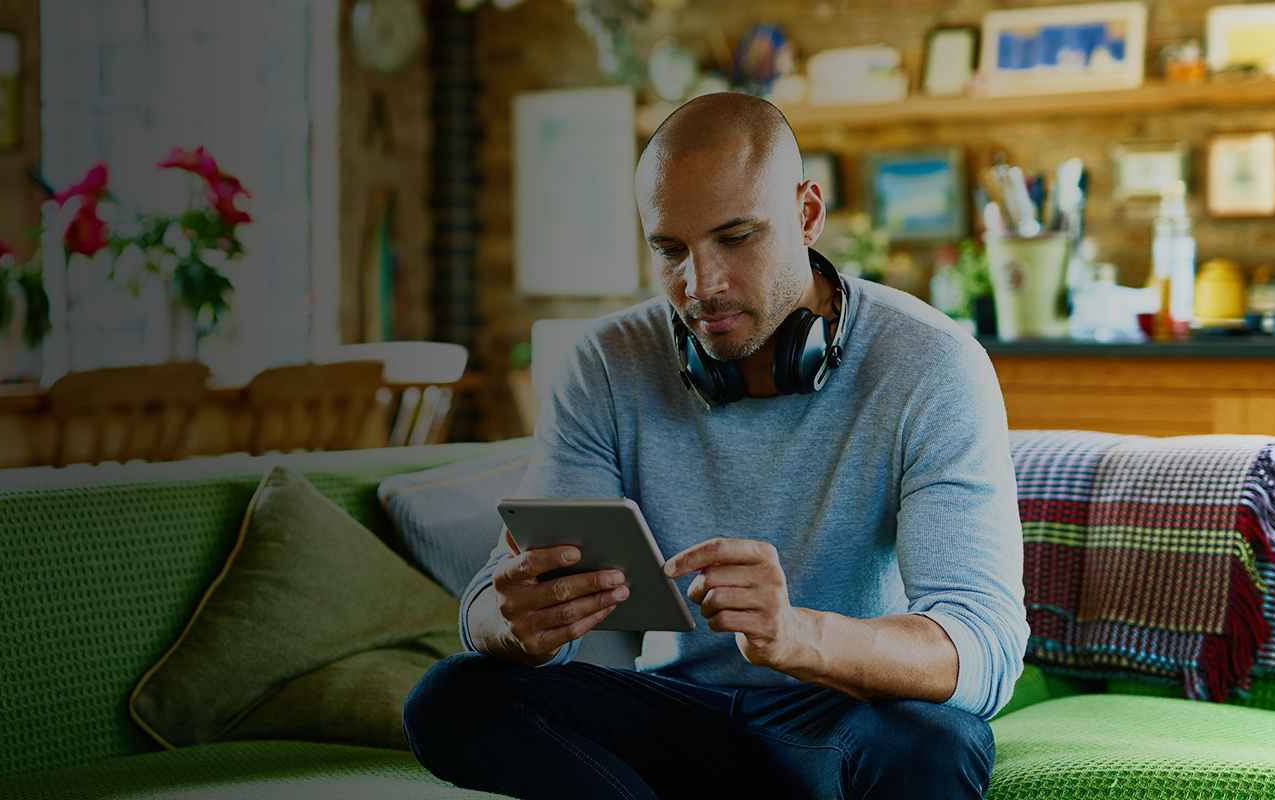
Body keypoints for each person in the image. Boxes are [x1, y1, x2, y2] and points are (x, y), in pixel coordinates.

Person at [402, 93, 1027, 799]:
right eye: (671, 250)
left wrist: (797, 635)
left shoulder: (932, 363)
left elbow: (985, 651)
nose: (701, 287)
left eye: (736, 238)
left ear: (808, 214)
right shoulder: (607, 363)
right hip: (679, 717)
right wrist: (511, 623)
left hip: (842, 713)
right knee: (453, 697)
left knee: (937, 743)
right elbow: (495, 598)